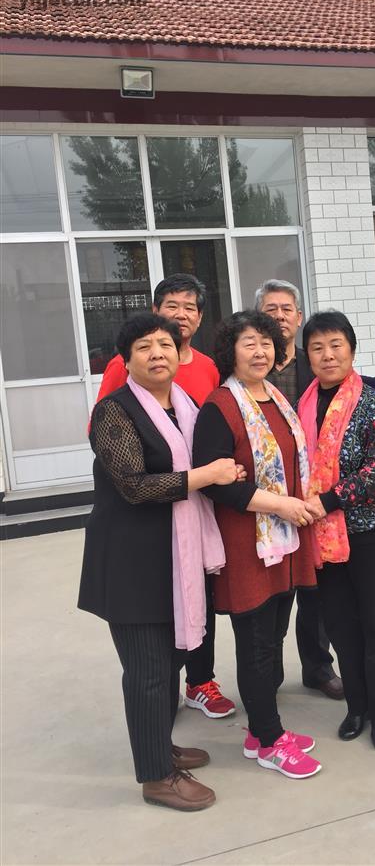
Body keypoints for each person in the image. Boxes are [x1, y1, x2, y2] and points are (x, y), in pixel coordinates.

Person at [78, 313, 245, 810]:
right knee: (148, 670)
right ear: (126, 360)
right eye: (144, 346)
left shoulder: (186, 405)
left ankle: (159, 746)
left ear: (179, 353)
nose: (157, 353)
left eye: (165, 345)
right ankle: (156, 778)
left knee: (169, 661)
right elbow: (133, 485)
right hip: (132, 563)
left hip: (176, 556)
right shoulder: (114, 412)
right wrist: (206, 475)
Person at [95, 274, 234, 720]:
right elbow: (117, 450)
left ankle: (199, 682)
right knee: (155, 638)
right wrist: (202, 474)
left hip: (196, 516)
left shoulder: (206, 368)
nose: (181, 314)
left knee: (198, 600)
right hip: (147, 526)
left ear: (199, 318)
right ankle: (161, 711)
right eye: (172, 305)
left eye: (190, 307)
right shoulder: (124, 375)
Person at [192, 310, 322, 780]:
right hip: (247, 544)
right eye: (249, 343)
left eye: (266, 343)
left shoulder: (277, 400)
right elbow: (215, 483)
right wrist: (280, 504)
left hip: (283, 541)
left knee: (273, 638)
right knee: (257, 646)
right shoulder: (221, 406)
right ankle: (270, 741)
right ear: (230, 351)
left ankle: (259, 733)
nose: (260, 351)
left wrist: (295, 504)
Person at [297, 311, 375, 751]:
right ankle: (356, 707)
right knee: (341, 626)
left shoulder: (373, 404)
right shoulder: (301, 406)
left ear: (352, 350)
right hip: (322, 538)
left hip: (371, 534)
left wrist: (328, 500)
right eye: (317, 347)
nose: (328, 355)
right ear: (307, 356)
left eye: (336, 345)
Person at [256, 279, 344, 702]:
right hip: (265, 496)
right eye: (270, 309)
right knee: (272, 593)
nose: (279, 316)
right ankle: (267, 676)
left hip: (314, 494)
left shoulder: (315, 364)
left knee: (315, 591)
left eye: (286, 309)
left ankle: (317, 668)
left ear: (298, 316)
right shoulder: (249, 368)